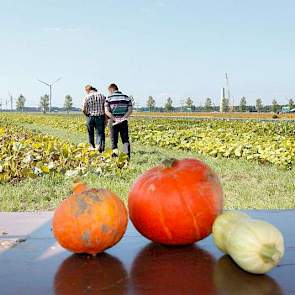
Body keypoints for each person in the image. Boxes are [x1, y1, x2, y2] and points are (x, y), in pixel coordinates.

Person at [105, 83, 133, 158]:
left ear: (111, 89)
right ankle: (127, 156)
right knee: (125, 140)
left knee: (114, 141)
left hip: (113, 122)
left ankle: (115, 157)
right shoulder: (126, 97)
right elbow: (130, 110)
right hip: (124, 122)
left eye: (109, 91)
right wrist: (123, 118)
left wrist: (115, 119)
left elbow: (107, 111)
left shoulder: (109, 98)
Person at [82, 85, 106, 152]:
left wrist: (87, 114)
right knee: (100, 133)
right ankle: (98, 146)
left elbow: (83, 109)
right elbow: (105, 108)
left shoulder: (87, 96)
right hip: (100, 116)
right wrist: (106, 119)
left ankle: (92, 146)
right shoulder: (102, 95)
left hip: (91, 117)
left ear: (87, 90)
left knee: (90, 133)